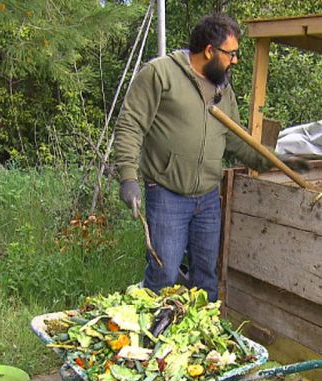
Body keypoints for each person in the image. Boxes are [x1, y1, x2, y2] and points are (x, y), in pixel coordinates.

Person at [113, 13, 273, 301]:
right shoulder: (160, 74)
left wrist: (271, 162)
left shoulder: (223, 89)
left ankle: (200, 340)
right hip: (167, 193)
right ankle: (153, 341)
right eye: (231, 53)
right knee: (165, 275)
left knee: (206, 277)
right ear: (210, 51)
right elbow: (130, 124)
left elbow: (236, 139)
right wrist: (127, 177)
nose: (235, 60)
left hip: (207, 199)